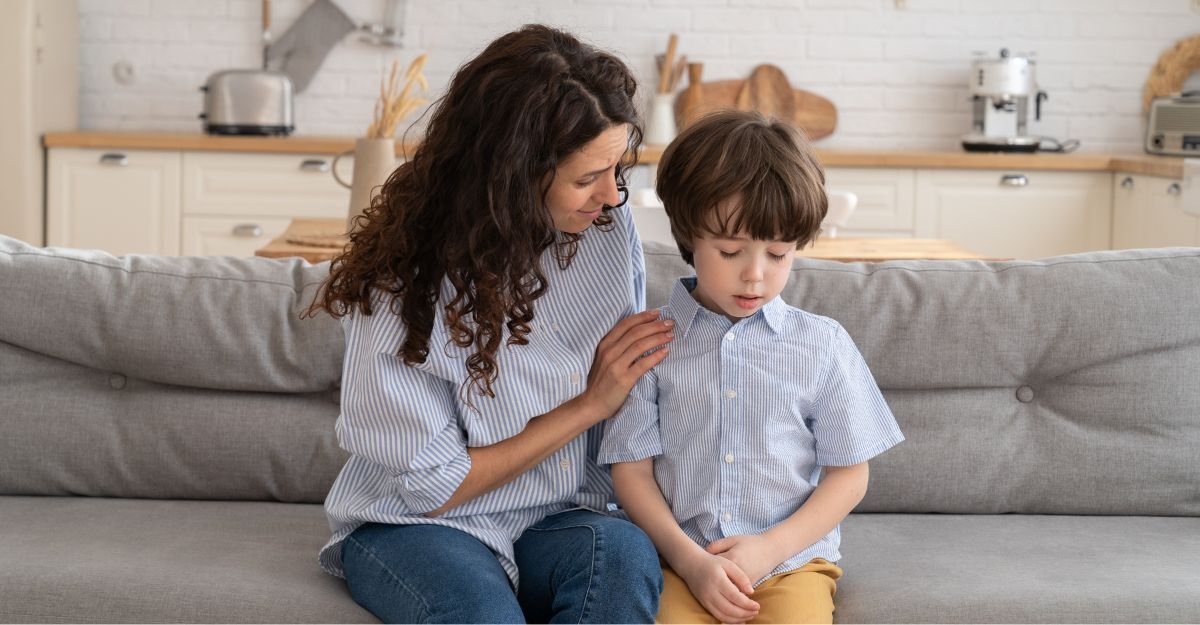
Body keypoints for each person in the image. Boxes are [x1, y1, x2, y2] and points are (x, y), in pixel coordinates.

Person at [309, 25, 672, 624]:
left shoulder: (606, 230)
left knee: (624, 560)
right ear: (512, 175)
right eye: (587, 178)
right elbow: (434, 487)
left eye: (616, 170)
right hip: (420, 525)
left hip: (559, 517)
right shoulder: (401, 288)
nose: (611, 196)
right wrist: (588, 405)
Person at [599, 111, 905, 624]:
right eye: (730, 251)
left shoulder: (822, 345)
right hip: (683, 563)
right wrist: (688, 561)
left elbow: (849, 476)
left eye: (779, 254)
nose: (755, 276)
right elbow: (631, 473)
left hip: (790, 565)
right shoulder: (651, 343)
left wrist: (767, 550)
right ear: (688, 234)